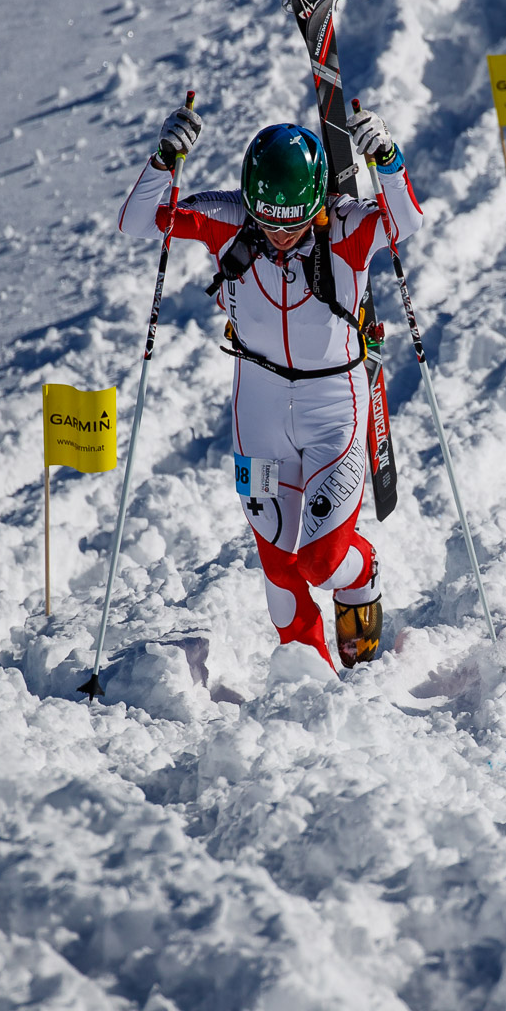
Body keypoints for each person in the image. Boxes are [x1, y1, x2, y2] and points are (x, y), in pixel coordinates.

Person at [116, 101, 422, 671]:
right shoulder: (229, 218)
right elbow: (136, 222)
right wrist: (163, 160)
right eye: (269, 223)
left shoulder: (347, 227)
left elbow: (407, 222)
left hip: (334, 411)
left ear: (317, 206)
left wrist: (386, 157)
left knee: (322, 562)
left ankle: (363, 571)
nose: (281, 236)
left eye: (295, 223)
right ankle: (308, 681)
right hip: (257, 415)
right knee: (279, 565)